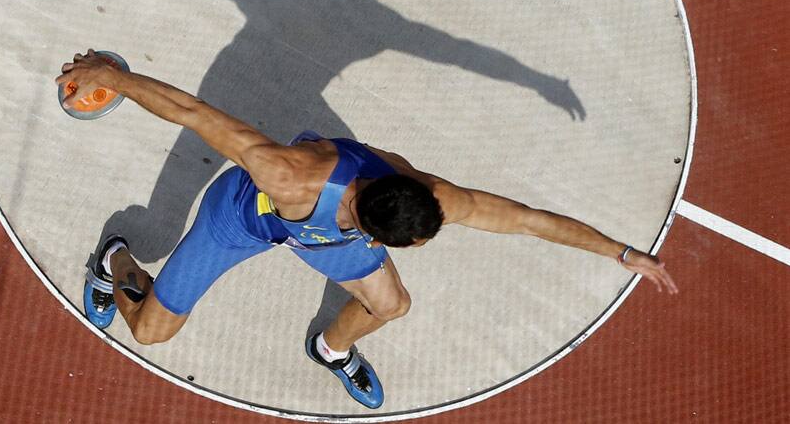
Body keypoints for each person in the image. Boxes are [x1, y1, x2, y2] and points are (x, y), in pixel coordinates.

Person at [56, 49, 679, 409]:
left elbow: (528, 221)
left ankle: (330, 349)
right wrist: (113, 78)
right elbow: (194, 113)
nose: (429, 240)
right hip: (244, 220)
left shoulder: (432, 197)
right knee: (152, 332)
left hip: (328, 235)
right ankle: (116, 263)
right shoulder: (291, 173)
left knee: (391, 303)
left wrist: (621, 252)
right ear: (375, 234)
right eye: (415, 243)